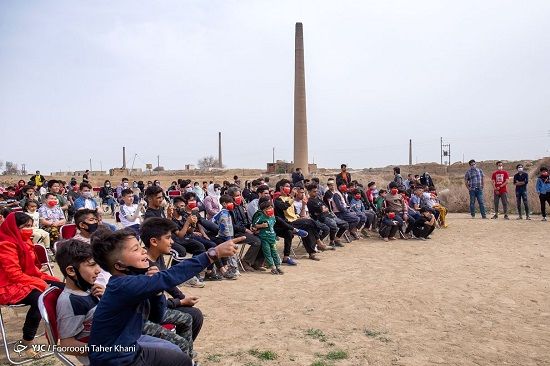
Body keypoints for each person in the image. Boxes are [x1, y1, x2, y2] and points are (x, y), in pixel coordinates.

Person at [88, 228, 242, 366]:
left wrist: (156, 292)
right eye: (135, 249)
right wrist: (212, 254)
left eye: (140, 246)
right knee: (181, 361)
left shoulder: (136, 280)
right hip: (115, 358)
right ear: (119, 265)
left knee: (182, 360)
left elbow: (156, 316)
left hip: (128, 348)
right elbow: (170, 276)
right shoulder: (123, 285)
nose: (143, 251)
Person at [0, 212, 63, 358]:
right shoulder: (5, 244)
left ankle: (59, 333)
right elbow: (14, 274)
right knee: (41, 299)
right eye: (25, 226)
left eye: (31, 225)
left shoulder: (25, 240)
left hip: (26, 278)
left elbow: (32, 269)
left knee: (64, 289)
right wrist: (40, 283)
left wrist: (43, 278)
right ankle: (26, 342)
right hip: (7, 285)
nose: (29, 229)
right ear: (14, 227)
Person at [142, 218, 204, 341]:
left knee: (194, 313)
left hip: (160, 305)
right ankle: (180, 353)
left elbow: (168, 282)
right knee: (193, 316)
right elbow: (152, 304)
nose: (171, 242)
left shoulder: (157, 257)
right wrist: (180, 302)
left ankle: (184, 351)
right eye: (168, 238)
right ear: (154, 241)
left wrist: (182, 297)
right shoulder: (144, 265)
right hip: (150, 312)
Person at [55, 239, 103, 364]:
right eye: (92, 265)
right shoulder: (70, 301)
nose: (98, 270)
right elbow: (67, 345)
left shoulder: (88, 289)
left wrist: (106, 297)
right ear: (71, 271)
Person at [273, 179, 319, 262]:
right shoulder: (278, 199)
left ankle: (311, 252)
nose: (289, 188)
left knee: (308, 225)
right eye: (287, 186)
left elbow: (294, 213)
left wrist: (300, 216)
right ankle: (318, 241)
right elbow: (284, 206)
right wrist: (291, 196)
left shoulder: (289, 198)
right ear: (281, 187)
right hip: (285, 223)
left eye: (289, 187)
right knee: (309, 223)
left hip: (294, 221)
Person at [252, 200, 283, 275]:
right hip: (264, 238)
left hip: (272, 237)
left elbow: (272, 226)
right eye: (268, 208)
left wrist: (275, 236)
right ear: (263, 210)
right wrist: (261, 226)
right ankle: (272, 267)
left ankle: (278, 266)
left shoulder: (273, 217)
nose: (270, 210)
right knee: (267, 253)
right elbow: (254, 225)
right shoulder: (261, 217)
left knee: (274, 252)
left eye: (271, 207)